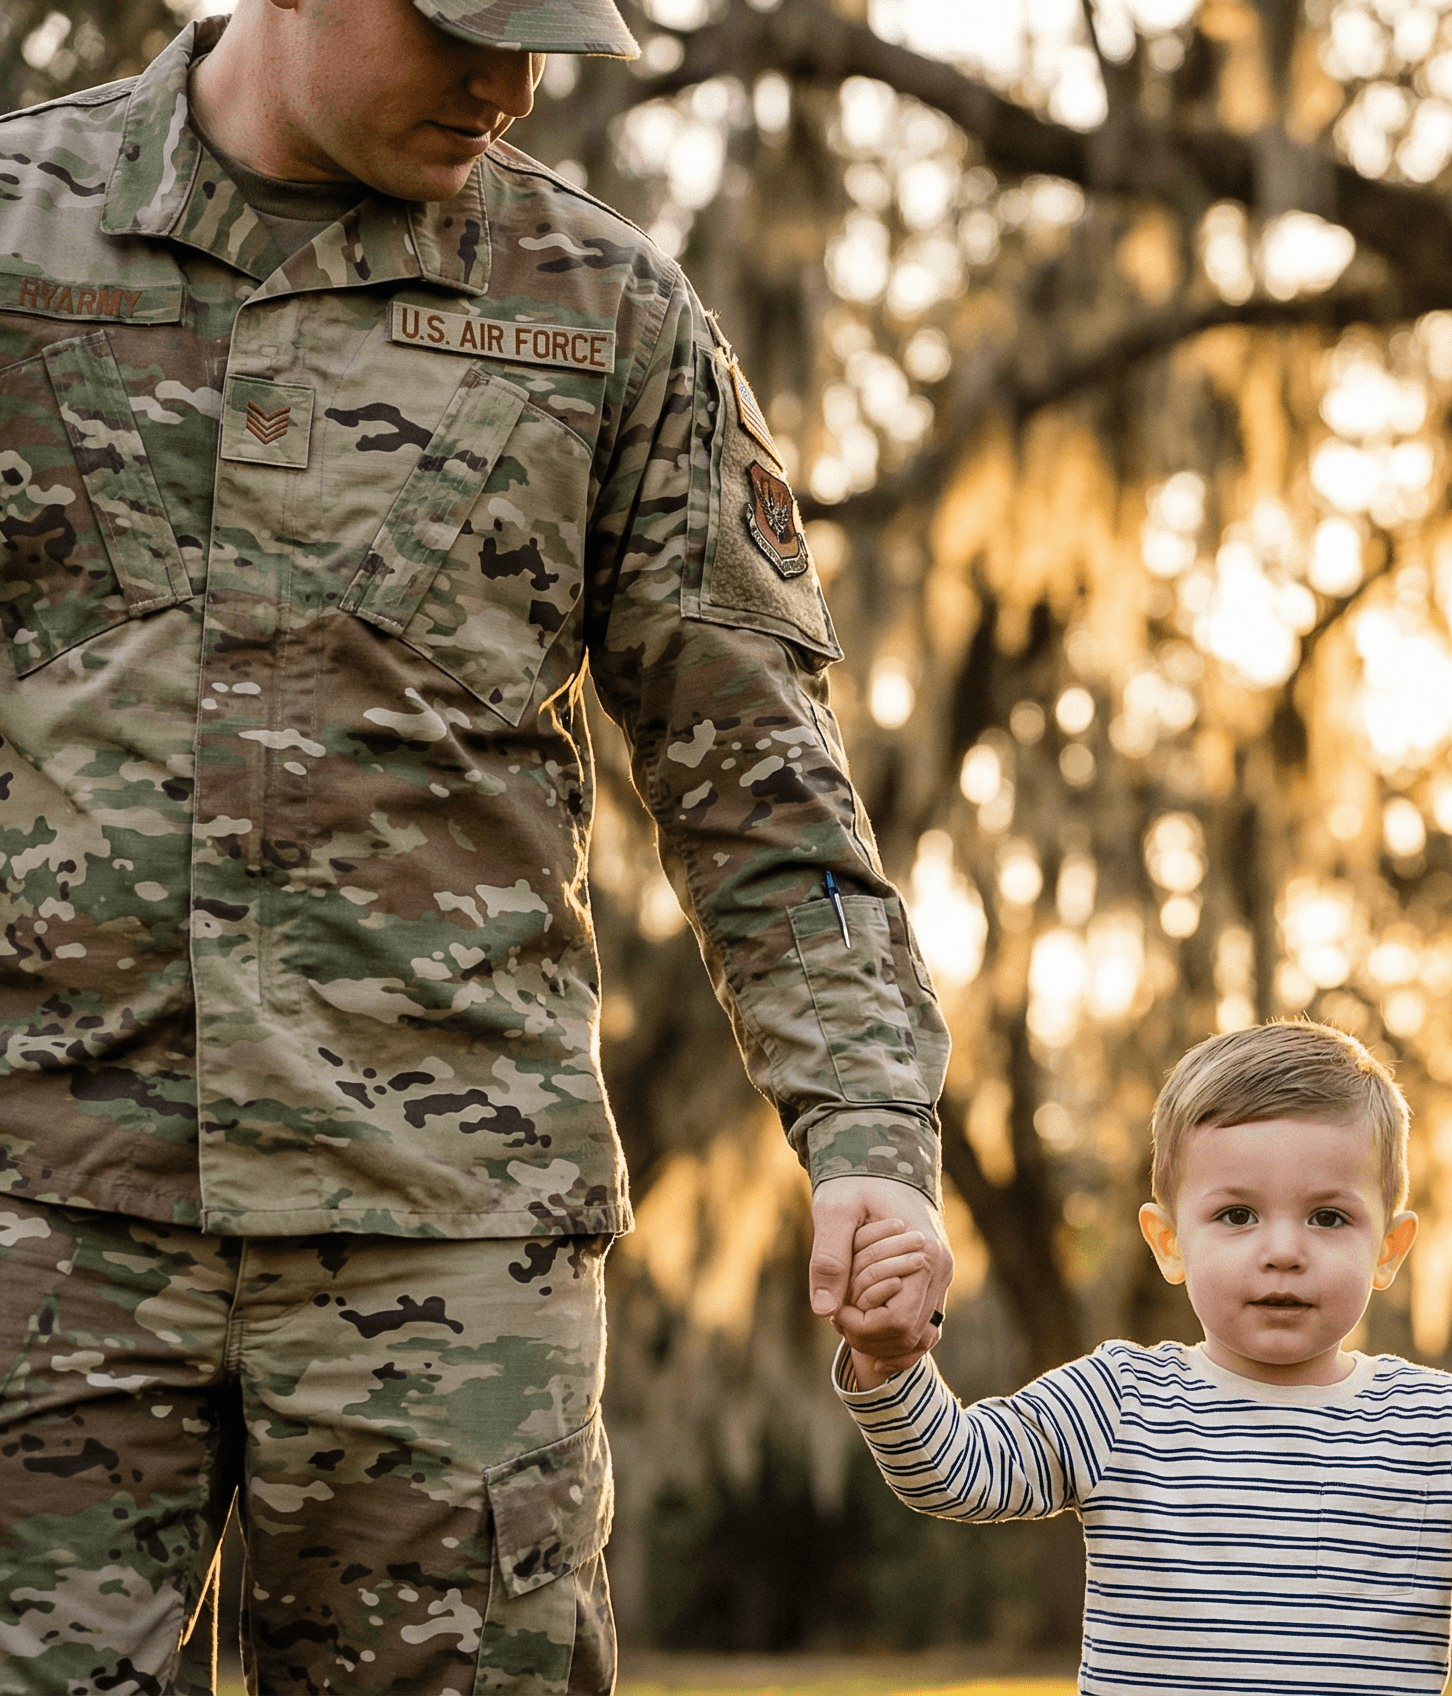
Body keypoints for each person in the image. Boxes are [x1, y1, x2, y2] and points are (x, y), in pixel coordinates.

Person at [0, 1, 953, 1690]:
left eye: (542, 36)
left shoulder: (606, 315)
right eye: (460, 25)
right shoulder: (17, 236)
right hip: (43, 1223)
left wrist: (867, 1131)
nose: (507, 85)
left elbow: (760, 780)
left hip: (447, 1248)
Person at [834, 1020, 1452, 1693]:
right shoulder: (1118, 1402)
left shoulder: (1434, 1425)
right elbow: (958, 1471)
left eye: (1329, 1218)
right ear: (1169, 1243)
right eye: (1236, 1215)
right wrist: (889, 1364)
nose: (1283, 1251)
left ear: (1390, 1250)